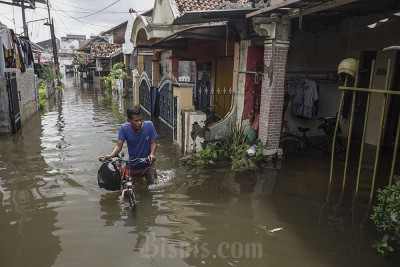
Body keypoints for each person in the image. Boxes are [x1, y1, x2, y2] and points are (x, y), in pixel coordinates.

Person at [104, 106, 158, 184]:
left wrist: (152, 154)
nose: (139, 123)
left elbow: (153, 142)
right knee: (133, 189)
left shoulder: (149, 125)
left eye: (140, 120)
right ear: (129, 121)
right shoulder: (124, 128)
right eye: (136, 121)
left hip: (148, 165)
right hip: (133, 166)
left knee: (154, 186)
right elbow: (119, 145)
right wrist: (111, 155)